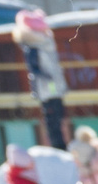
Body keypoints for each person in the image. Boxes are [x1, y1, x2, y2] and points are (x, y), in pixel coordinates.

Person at [11, 9, 66, 150]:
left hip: (53, 85)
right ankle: (57, 145)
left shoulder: (45, 44)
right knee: (52, 117)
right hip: (47, 87)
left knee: (58, 115)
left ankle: (60, 144)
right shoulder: (34, 47)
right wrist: (48, 77)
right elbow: (34, 69)